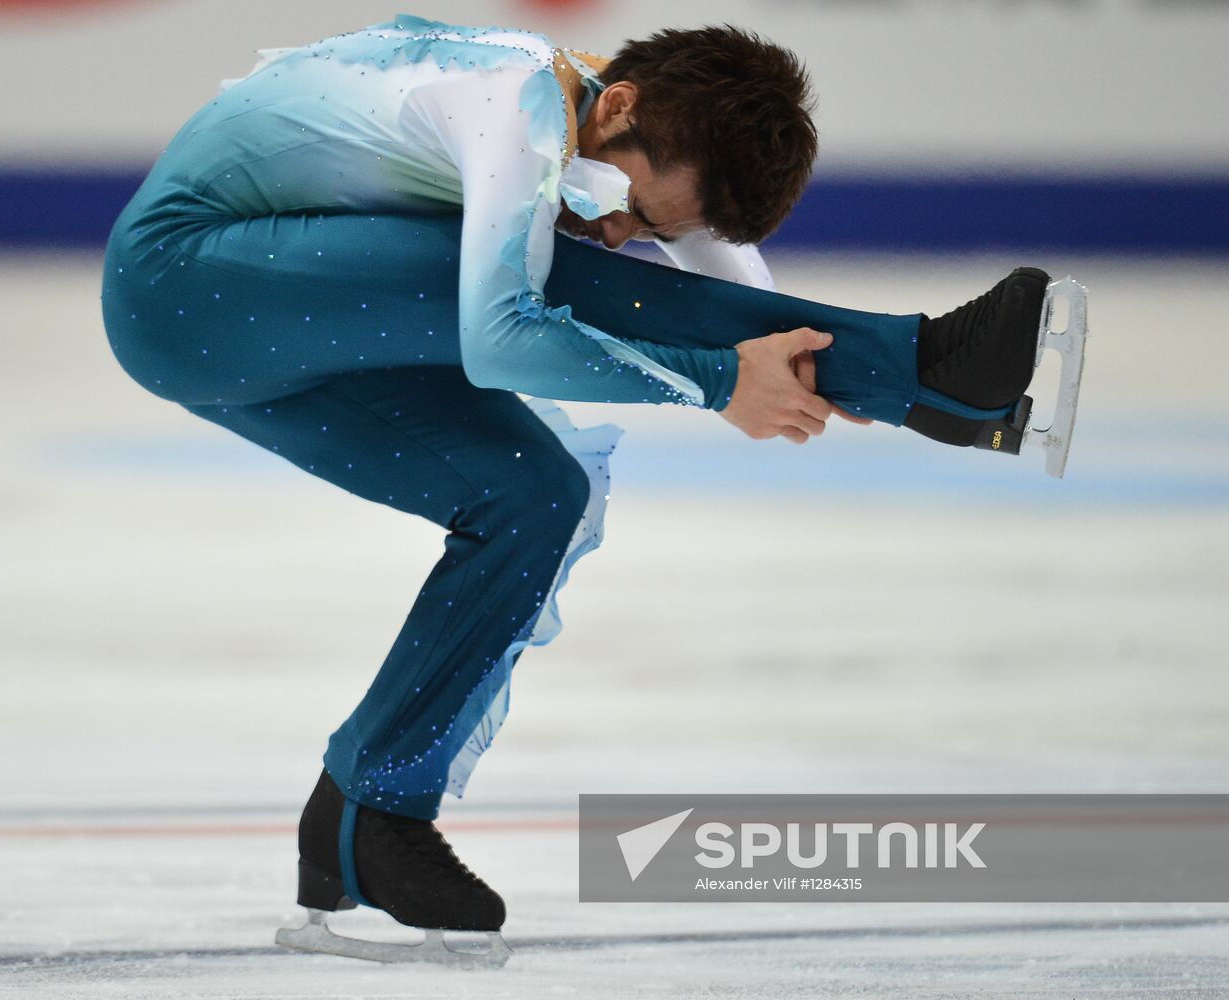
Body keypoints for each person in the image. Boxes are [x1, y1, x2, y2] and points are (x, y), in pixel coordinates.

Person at [100, 14, 1077, 967]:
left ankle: (368, 812)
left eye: (645, 226)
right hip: (183, 289)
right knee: (539, 281)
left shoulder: (612, 131)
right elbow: (498, 340)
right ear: (616, 105)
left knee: (532, 494)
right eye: (631, 209)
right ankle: (926, 369)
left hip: (282, 327)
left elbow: (714, 277)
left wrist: (806, 366)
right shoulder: (508, 108)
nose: (616, 233)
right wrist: (726, 379)